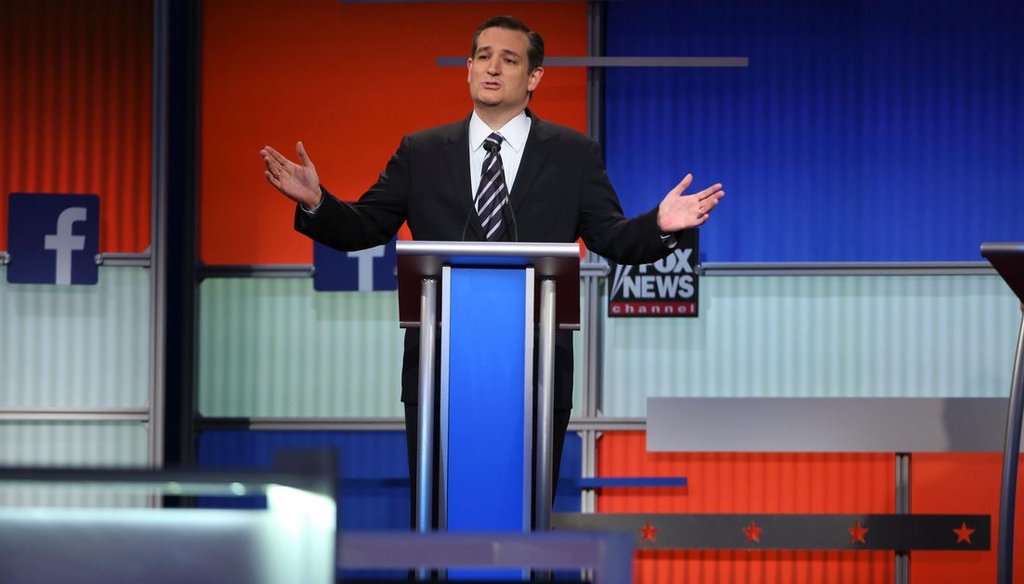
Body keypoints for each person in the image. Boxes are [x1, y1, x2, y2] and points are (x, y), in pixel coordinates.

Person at [261, 15, 724, 526]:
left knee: (520, 522)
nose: (492, 68)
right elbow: (366, 226)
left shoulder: (573, 155)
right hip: (440, 372)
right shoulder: (422, 152)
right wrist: (317, 204)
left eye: (509, 59)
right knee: (440, 521)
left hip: (536, 373)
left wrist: (659, 224)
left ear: (534, 78)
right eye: (483, 56)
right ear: (467, 69)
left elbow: (612, 237)